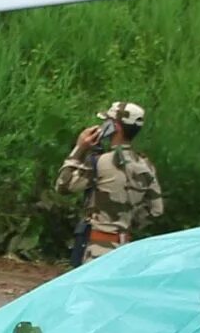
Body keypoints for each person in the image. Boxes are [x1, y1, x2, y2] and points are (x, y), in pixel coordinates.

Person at [57, 100, 163, 264]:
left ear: (116, 126)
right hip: (124, 248)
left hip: (96, 249)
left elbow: (63, 186)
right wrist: (127, 220)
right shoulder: (145, 165)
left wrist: (79, 148)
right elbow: (156, 210)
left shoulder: (100, 163)